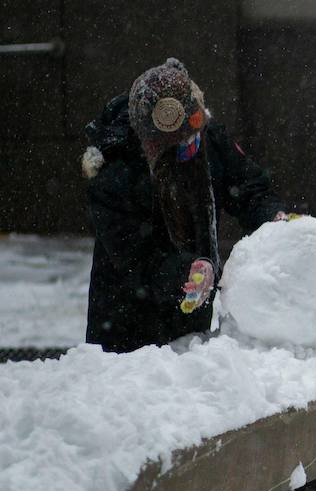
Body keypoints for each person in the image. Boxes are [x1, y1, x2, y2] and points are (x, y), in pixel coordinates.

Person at [81, 58, 292, 353]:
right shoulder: (114, 175)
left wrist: (272, 215)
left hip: (191, 327)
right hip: (126, 332)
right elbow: (137, 260)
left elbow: (249, 188)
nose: (193, 148)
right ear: (153, 146)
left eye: (196, 137)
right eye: (182, 144)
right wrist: (186, 272)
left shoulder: (207, 137)